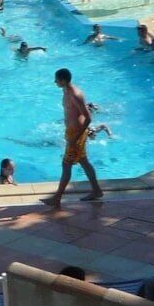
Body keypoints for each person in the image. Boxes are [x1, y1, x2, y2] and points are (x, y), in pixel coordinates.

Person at [41, 68, 104, 209]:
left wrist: (76, 137)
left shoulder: (75, 95)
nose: (54, 82)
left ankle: (57, 198)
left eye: (56, 79)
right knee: (83, 161)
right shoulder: (66, 91)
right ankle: (97, 190)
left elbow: (88, 118)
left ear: (63, 80)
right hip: (71, 132)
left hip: (76, 134)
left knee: (66, 165)